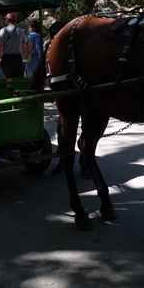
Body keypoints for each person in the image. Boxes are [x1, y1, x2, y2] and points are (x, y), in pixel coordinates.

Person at [45, 21, 90, 178]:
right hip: (67, 97)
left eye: (57, 34)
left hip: (84, 97)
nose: (54, 38)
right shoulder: (52, 49)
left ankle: (85, 164)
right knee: (62, 130)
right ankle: (63, 162)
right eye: (53, 35)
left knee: (87, 130)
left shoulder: (78, 49)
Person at [0, 12, 25, 77]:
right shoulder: (21, 31)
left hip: (7, 59)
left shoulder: (3, 30)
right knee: (17, 81)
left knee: (5, 81)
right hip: (18, 59)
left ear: (7, 20)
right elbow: (23, 47)